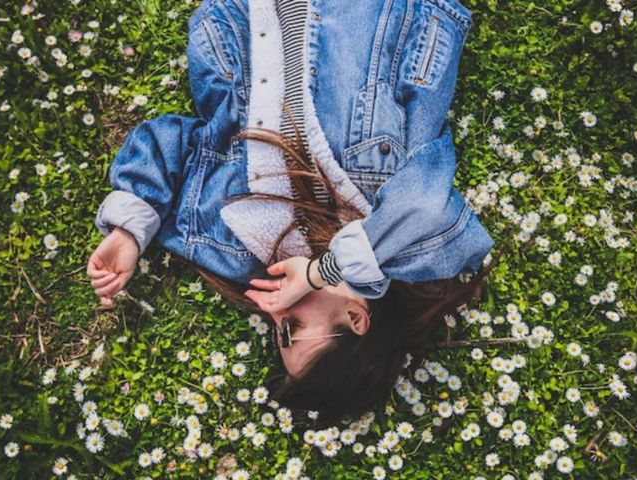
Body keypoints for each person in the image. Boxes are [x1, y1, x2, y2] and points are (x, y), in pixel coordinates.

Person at [88, 0, 497, 426]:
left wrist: (129, 232)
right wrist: (322, 272)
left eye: (275, 333)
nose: (273, 314)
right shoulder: (408, 246)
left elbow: (171, 143)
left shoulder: (239, 244)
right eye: (291, 329)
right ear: (356, 318)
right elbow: (428, 207)